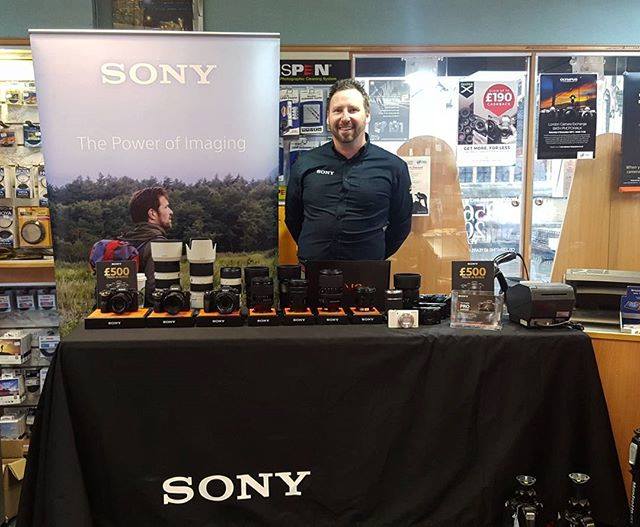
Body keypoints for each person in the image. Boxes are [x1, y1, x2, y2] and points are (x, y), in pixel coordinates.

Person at [285, 79, 412, 261]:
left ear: (367, 115)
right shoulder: (304, 164)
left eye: (353, 110)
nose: (345, 118)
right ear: (328, 117)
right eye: (337, 110)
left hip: (368, 272)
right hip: (313, 271)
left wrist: (374, 255)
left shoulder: (394, 167)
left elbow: (401, 225)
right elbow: (293, 218)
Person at [120, 186, 173, 301]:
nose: (171, 212)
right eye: (166, 207)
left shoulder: (124, 240)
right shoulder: (158, 245)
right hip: (146, 311)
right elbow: (155, 293)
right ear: (152, 213)